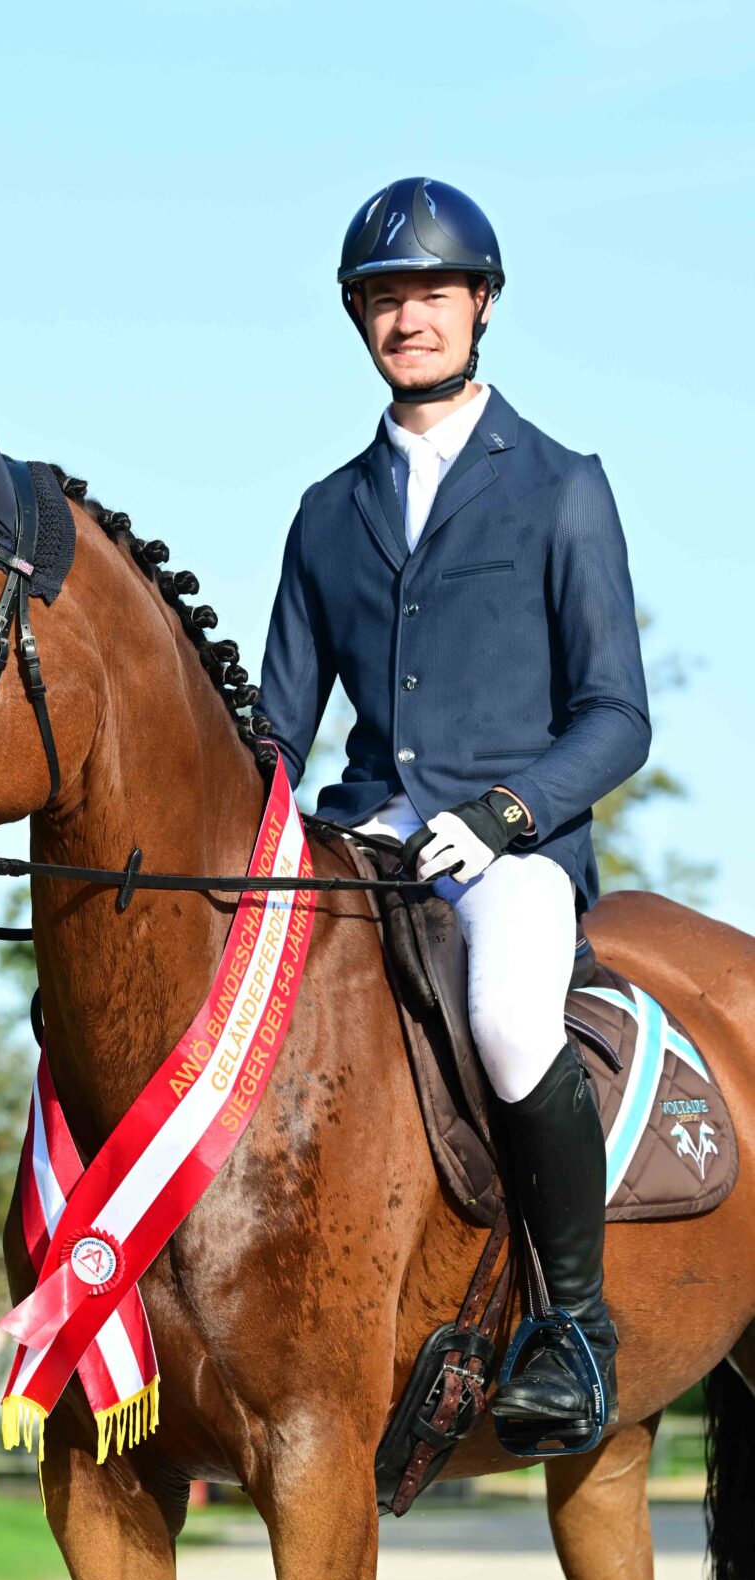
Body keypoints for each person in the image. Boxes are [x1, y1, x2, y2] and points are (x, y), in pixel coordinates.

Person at [257, 176, 651, 1446]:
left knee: (499, 1008)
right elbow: (274, 724)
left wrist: (499, 813)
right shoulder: (326, 510)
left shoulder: (558, 486)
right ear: (357, 319)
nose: (406, 315)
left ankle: (573, 1327)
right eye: (381, 297)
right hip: (362, 834)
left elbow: (615, 716)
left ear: (479, 305)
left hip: (510, 850)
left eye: (429, 291)